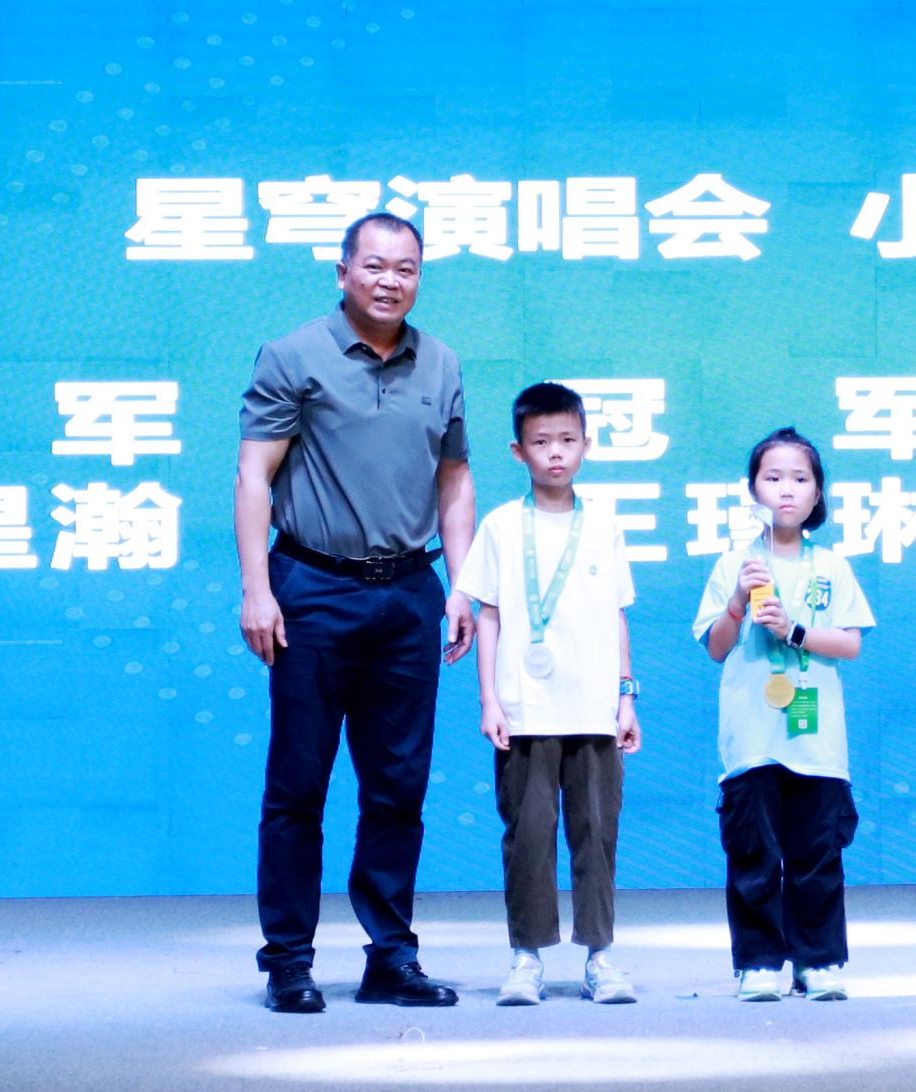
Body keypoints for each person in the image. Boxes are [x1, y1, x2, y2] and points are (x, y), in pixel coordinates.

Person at [235, 212, 476, 1013]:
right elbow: (253, 476)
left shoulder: (440, 362)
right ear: (343, 272)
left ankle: (391, 957)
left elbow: (454, 479)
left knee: (397, 789)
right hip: (313, 589)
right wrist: (257, 588)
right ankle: (288, 961)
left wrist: (464, 584)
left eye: (406, 268)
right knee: (297, 787)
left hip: (408, 594)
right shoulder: (293, 355)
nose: (389, 281)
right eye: (374, 265)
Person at [453, 381, 643, 1006]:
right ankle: (526, 958)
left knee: (597, 835)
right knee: (529, 836)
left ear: (587, 444)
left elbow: (617, 615)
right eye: (540, 442)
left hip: (594, 711)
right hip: (524, 711)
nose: (555, 452)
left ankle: (600, 958)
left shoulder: (605, 525)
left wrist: (626, 698)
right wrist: (489, 700)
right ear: (518, 451)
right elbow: (488, 616)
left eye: (567, 440)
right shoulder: (502, 526)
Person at [692, 428, 875, 1002]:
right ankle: (759, 962)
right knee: (753, 852)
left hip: (815, 737)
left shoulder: (832, 566)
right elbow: (716, 647)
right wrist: (736, 602)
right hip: (752, 736)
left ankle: (817, 960)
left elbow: (850, 644)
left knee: (817, 852)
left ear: (818, 493)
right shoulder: (736, 563)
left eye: (800, 478)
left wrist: (794, 630)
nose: (787, 490)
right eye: (773, 478)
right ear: (753, 490)